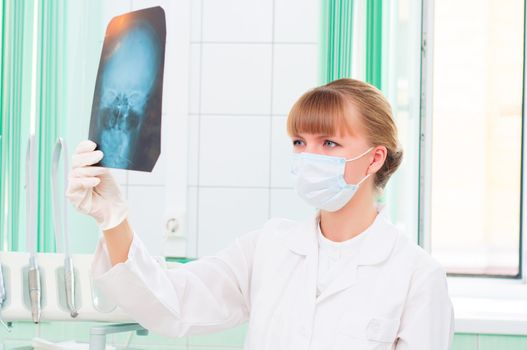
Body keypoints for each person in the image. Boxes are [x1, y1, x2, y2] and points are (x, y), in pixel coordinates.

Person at [66, 78, 454, 349]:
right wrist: (113, 218)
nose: (308, 156)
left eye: (330, 142)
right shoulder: (270, 247)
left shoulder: (416, 276)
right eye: (300, 142)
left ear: (374, 158)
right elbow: (173, 301)